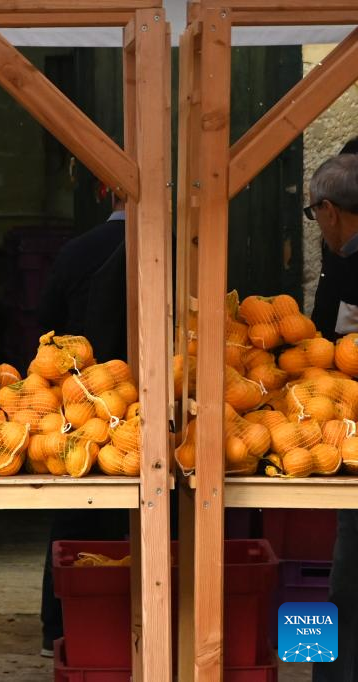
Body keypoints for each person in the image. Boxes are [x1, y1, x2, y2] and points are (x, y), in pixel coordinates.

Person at [35, 187, 130, 657]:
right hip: (154, 410)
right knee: (159, 520)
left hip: (80, 408)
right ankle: (145, 621)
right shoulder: (179, 252)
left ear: (103, 190)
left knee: (77, 511)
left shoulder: (76, 252)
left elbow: (44, 332)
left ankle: (59, 626)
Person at [308, 143, 358, 682]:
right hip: (344, 428)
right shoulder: (341, 260)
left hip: (349, 433)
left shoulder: (349, 263)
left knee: (347, 580)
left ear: (329, 211)